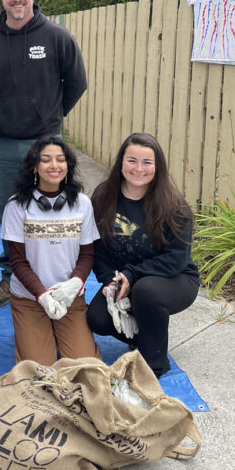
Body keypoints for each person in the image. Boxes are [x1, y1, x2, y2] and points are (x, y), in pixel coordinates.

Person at [0, 0, 87, 308]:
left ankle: (54, 278)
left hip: (45, 142)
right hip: (0, 141)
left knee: (50, 211)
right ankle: (10, 277)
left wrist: (51, 116)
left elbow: (76, 83)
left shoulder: (57, 37)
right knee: (9, 210)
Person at [86, 132, 200, 377]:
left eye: (147, 162)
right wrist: (109, 280)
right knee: (98, 318)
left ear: (157, 167)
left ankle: (154, 364)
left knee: (146, 291)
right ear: (121, 162)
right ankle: (144, 333)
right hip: (124, 278)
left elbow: (176, 259)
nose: (139, 169)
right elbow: (96, 245)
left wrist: (131, 274)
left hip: (174, 279)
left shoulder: (174, 206)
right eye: (132, 161)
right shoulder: (104, 196)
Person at [1, 136, 100, 365]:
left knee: (84, 368)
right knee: (39, 370)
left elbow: (87, 254)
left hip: (70, 296)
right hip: (30, 298)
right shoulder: (16, 206)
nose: (54, 165)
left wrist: (75, 284)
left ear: (68, 165)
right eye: (46, 160)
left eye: (60, 159)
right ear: (35, 166)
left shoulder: (82, 203)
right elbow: (17, 262)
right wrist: (42, 295)